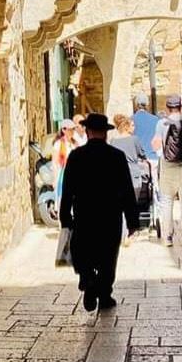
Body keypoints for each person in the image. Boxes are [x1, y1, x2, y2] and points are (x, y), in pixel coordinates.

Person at [60, 112, 139, 311]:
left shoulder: (76, 157)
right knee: (108, 257)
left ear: (87, 132)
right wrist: (132, 220)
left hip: (84, 215)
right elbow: (127, 191)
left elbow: (67, 190)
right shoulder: (117, 157)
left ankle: (88, 280)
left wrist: (65, 217)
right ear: (105, 133)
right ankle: (104, 295)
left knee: (84, 253)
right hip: (110, 216)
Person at [156, 94, 182, 249]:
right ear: (180, 106)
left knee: (166, 202)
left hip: (168, 166)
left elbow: (157, 144)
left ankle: (168, 237)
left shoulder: (161, 123)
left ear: (167, 108)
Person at [110, 113, 151, 221]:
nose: (134, 127)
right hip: (133, 175)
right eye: (132, 125)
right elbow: (142, 154)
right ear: (126, 126)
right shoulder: (134, 139)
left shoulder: (113, 141)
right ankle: (129, 231)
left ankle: (123, 231)